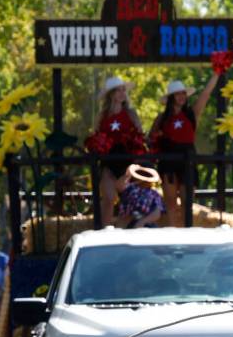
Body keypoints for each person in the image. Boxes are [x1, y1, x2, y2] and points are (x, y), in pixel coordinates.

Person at [148, 73, 220, 227]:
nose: (181, 97)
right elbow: (150, 140)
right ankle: (173, 234)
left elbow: (206, 94)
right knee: (171, 203)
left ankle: (188, 233)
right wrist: (158, 137)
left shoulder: (191, 114)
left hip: (187, 159)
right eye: (177, 94)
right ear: (170, 97)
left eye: (183, 93)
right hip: (168, 162)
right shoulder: (161, 118)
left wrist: (216, 74)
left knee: (187, 202)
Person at [94, 77, 144, 226]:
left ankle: (121, 233)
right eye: (119, 90)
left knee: (129, 201)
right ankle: (104, 234)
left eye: (124, 90)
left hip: (127, 162)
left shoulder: (131, 114)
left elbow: (140, 135)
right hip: (108, 162)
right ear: (111, 94)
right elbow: (95, 137)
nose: (123, 93)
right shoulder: (101, 116)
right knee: (109, 198)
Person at [116, 164, 166, 229]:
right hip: (126, 222)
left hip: (145, 223)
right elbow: (119, 186)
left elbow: (157, 213)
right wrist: (128, 174)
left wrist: (142, 222)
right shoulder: (130, 188)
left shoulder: (154, 194)